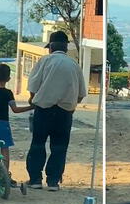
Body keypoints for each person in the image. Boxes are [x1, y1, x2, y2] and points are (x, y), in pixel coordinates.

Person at [25, 31, 87, 191]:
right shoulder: (74, 65)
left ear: (51, 47)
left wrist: (33, 99)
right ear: (66, 47)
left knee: (38, 144)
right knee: (59, 147)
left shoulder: (45, 61)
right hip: (65, 113)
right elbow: (81, 94)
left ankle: (35, 180)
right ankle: (53, 181)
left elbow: (33, 86)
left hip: (43, 110)